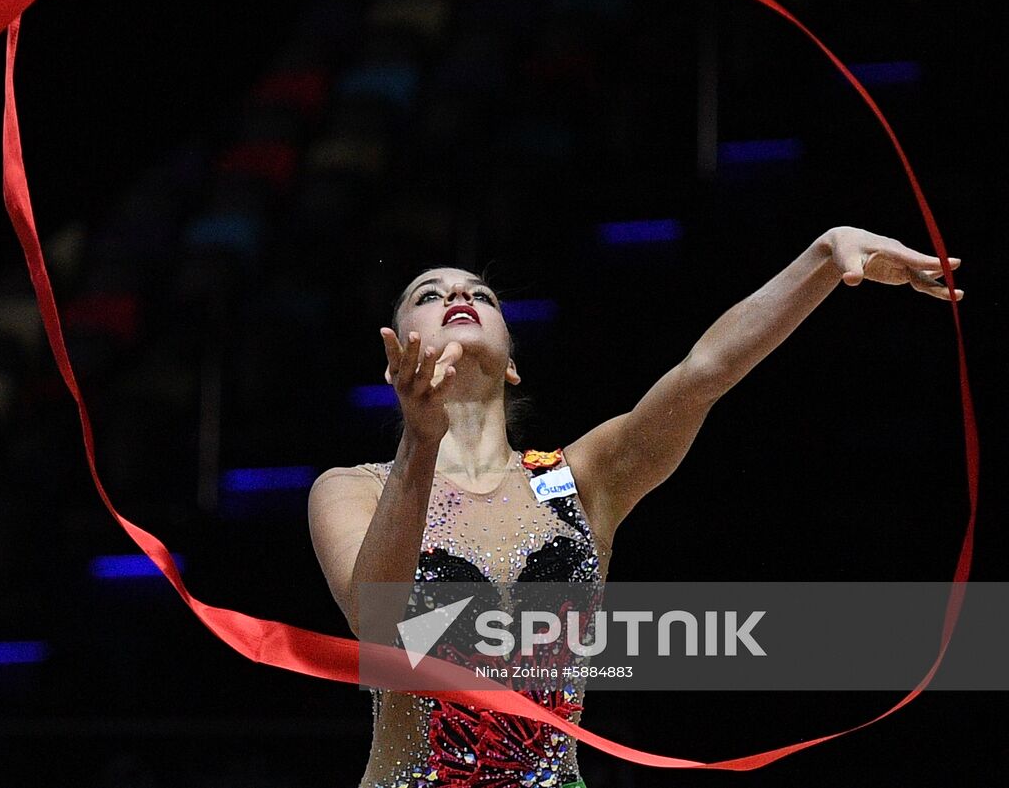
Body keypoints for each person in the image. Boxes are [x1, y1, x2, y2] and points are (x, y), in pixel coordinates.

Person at [307, 226, 962, 788]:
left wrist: (821, 258)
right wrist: (422, 443)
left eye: (481, 294)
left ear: (511, 364)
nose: (458, 295)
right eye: (430, 292)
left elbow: (702, 373)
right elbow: (377, 624)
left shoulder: (578, 479)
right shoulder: (353, 486)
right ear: (396, 352)